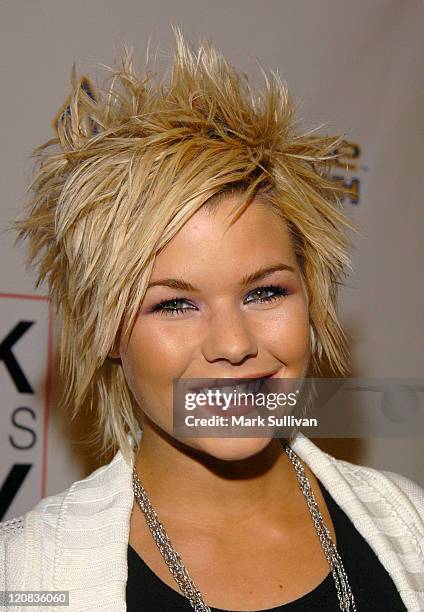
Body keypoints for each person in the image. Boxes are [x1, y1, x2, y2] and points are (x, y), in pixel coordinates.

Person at [1, 28, 423, 612]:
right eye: (175, 303)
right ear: (107, 334)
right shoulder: (25, 578)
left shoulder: (411, 530)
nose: (233, 344)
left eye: (265, 293)